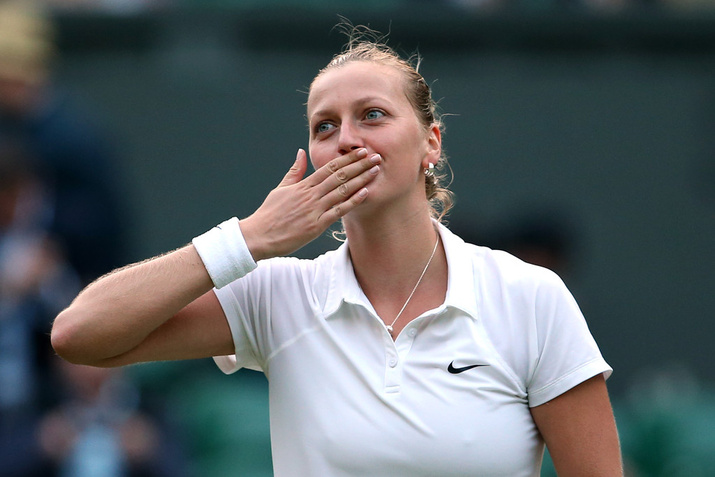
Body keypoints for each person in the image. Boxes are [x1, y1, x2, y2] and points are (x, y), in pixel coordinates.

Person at [51, 24, 623, 476]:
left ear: (431, 142)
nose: (347, 139)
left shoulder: (531, 297)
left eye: (372, 115)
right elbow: (79, 335)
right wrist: (249, 238)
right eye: (325, 126)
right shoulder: (276, 294)